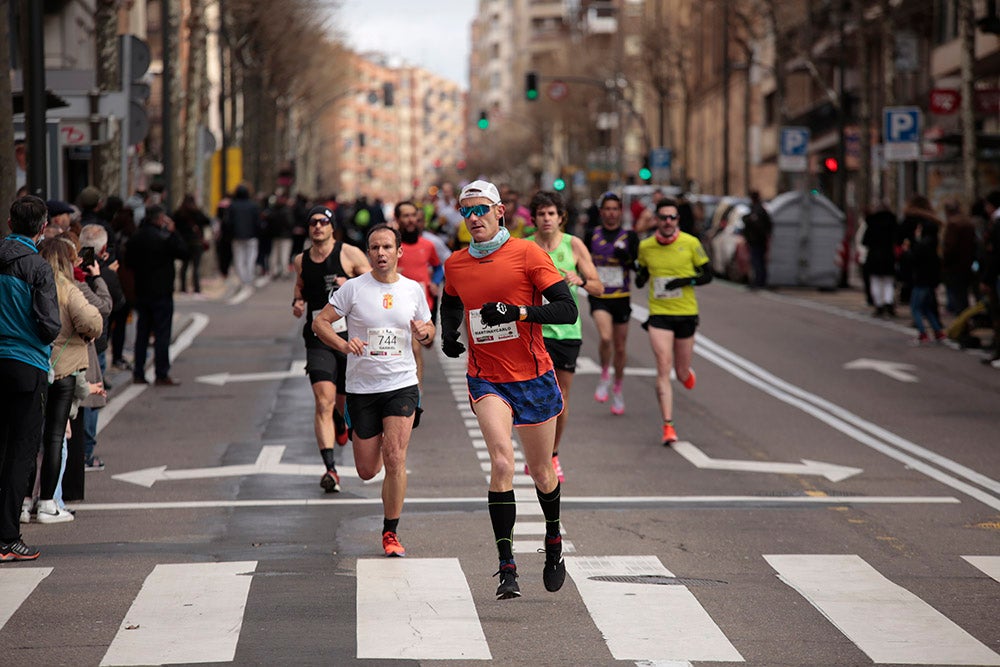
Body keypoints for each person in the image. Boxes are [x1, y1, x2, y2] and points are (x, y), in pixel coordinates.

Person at [440, 179, 577, 600]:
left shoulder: (527, 253)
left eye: (481, 209)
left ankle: (553, 540)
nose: (473, 218)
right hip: (487, 379)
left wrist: (518, 311)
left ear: (500, 212)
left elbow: (566, 308)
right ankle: (507, 566)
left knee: (541, 473)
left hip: (533, 377)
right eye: (466, 212)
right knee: (501, 463)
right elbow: (449, 301)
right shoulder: (456, 264)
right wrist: (449, 334)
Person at [312, 224, 434, 557]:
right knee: (368, 470)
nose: (380, 253)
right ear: (368, 252)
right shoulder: (353, 289)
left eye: (386, 247)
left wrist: (424, 333)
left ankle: (390, 532)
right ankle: (373, 437)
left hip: (401, 384)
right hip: (362, 388)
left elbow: (428, 331)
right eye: (374, 248)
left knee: (396, 458)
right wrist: (342, 343)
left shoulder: (412, 289)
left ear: (399, 252)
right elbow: (319, 323)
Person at [292, 205, 371, 493]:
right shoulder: (301, 260)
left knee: (342, 403)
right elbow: (300, 287)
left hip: (351, 337)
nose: (317, 227)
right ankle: (330, 470)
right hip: (318, 337)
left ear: (331, 226)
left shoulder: (349, 254)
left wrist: (349, 283)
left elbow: (375, 284)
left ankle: (341, 422)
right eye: (312, 222)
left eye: (323, 222)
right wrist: (297, 303)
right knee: (322, 401)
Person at [525, 190, 603, 483]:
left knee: (560, 396)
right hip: (532, 330)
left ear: (561, 217)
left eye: (551, 214)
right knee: (533, 394)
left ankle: (552, 454)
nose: (546, 219)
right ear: (533, 217)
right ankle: (537, 454)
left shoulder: (574, 245)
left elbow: (599, 287)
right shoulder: (523, 246)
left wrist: (580, 279)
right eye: (541, 214)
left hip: (567, 331)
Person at [0, 196, 61, 561]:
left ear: (9, 223)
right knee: (21, 452)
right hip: (25, 364)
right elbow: (49, 324)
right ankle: (7, 538)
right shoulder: (38, 268)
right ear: (41, 229)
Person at [32, 238, 103, 523]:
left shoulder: (29, 285)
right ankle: (49, 500)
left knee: (28, 438)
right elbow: (93, 320)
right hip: (63, 370)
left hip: (34, 366)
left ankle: (25, 502)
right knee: (55, 436)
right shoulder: (66, 289)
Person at [635, 197, 712, 446]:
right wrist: (638, 275)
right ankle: (668, 425)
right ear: (656, 220)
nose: (668, 222)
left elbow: (707, 275)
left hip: (686, 313)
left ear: (678, 220)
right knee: (662, 367)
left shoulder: (691, 243)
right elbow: (642, 274)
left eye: (672, 217)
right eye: (664, 217)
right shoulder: (646, 246)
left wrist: (685, 281)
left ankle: (686, 373)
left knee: (679, 372)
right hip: (659, 315)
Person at [586, 192, 639, 415]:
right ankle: (605, 372)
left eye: (614, 209)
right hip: (599, 296)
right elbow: (584, 261)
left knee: (620, 347)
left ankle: (617, 387)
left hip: (621, 297)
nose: (611, 213)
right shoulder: (592, 235)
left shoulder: (630, 236)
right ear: (601, 212)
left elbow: (636, 265)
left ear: (620, 212)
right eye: (607, 209)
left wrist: (625, 256)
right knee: (605, 337)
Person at [125, 206, 189, 385]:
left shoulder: (136, 237)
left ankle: (138, 372)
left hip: (142, 290)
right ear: (161, 219)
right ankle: (161, 373)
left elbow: (128, 261)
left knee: (142, 332)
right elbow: (184, 252)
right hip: (162, 291)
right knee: (162, 333)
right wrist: (174, 232)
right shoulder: (165, 237)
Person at [393, 200, 443, 387]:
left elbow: (438, 267)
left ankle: (416, 391)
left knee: (419, 346)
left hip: (423, 304)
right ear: (397, 219)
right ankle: (410, 389)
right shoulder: (391, 246)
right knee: (408, 348)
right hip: (397, 304)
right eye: (406, 216)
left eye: (413, 215)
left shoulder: (428, 245)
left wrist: (435, 283)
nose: (411, 220)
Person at [902, 217, 945, 345]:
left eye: (919, 228)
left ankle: (922, 333)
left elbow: (913, 260)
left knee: (915, 307)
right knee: (926, 308)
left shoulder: (922, 246)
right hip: (930, 281)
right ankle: (938, 331)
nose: (917, 231)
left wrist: (906, 251)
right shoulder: (933, 244)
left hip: (921, 281)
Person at [862, 202, 899, 318]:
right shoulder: (892, 222)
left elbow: (865, 241)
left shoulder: (872, 223)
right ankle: (888, 303)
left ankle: (879, 305)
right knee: (889, 281)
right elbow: (897, 239)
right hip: (888, 256)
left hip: (873, 256)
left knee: (875, 281)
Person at [941, 201, 977, 317]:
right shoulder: (968, 223)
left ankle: (962, 325)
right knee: (963, 297)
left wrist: (944, 262)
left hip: (954, 266)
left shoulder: (953, 224)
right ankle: (965, 321)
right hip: (967, 264)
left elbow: (950, 247)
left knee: (958, 297)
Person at [172, 194, 210, 293]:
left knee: (184, 266)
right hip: (196, 242)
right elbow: (207, 221)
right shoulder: (197, 212)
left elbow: (174, 226)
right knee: (196, 267)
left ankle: (183, 288)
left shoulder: (179, 213)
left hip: (184, 243)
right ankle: (196, 288)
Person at [227, 184, 261, 285]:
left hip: (237, 236)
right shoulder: (254, 206)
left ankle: (243, 279)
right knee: (251, 257)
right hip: (252, 236)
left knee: (239, 259)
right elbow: (257, 222)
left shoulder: (232, 206)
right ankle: (249, 277)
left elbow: (229, 222)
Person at [743, 190, 773, 289]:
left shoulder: (757, 210)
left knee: (757, 262)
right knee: (758, 261)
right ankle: (759, 281)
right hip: (758, 240)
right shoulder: (759, 209)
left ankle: (759, 282)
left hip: (756, 241)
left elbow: (758, 225)